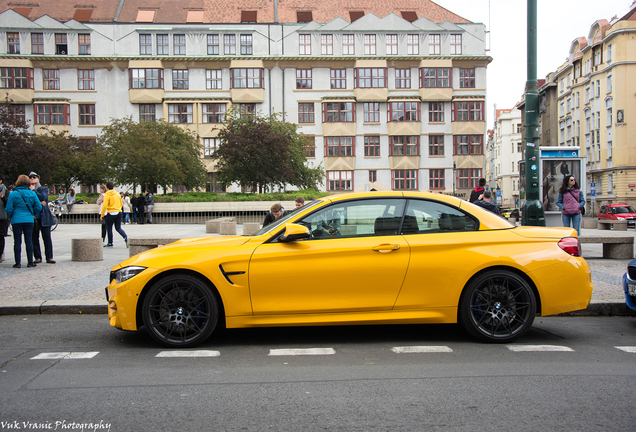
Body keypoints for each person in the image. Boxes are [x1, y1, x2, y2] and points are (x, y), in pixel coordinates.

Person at [5, 174, 42, 268]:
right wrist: (32, 213)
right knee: (29, 241)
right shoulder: (32, 193)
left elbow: (8, 208)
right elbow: (38, 207)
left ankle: (17, 262)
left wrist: (12, 215)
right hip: (29, 219)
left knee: (17, 241)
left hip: (16, 219)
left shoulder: (13, 193)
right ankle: (30, 261)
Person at [29, 172, 55, 264]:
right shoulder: (27, 190)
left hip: (44, 216)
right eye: (30, 177)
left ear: (38, 179)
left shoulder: (43, 189)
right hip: (33, 217)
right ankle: (37, 257)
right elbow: (29, 201)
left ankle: (49, 256)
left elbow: (43, 197)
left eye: (34, 177)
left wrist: (33, 191)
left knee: (47, 237)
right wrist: (39, 202)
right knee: (34, 238)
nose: (32, 179)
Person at [100, 181, 128, 248]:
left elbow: (104, 206)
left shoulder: (107, 195)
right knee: (118, 228)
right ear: (113, 187)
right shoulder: (117, 194)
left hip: (111, 212)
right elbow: (121, 203)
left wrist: (102, 215)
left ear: (106, 187)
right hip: (118, 212)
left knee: (109, 228)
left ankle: (110, 243)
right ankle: (125, 237)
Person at [0, 175, 8, 263]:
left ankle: (0, 255)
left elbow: (8, 204)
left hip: (2, 217)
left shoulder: (4, 190)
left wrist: (2, 198)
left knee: (0, 236)